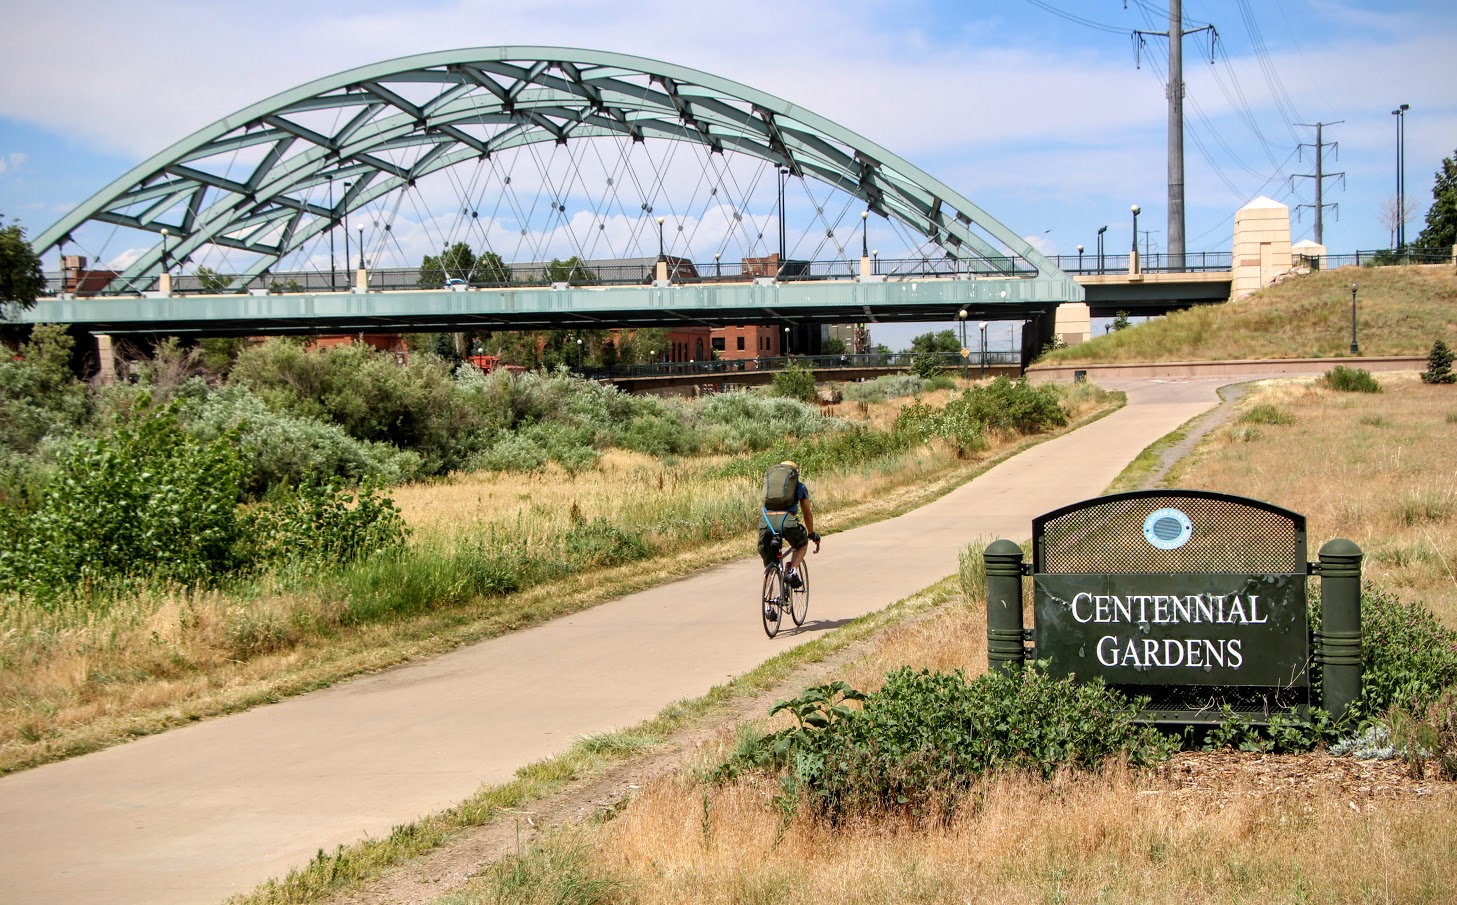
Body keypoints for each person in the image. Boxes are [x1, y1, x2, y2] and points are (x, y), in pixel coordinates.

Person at [759, 460, 820, 592]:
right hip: (787, 521)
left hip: (766, 523)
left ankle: (768, 607)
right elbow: (807, 514)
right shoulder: (799, 487)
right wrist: (811, 533)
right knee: (801, 543)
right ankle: (791, 571)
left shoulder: (770, 488)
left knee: (770, 566)